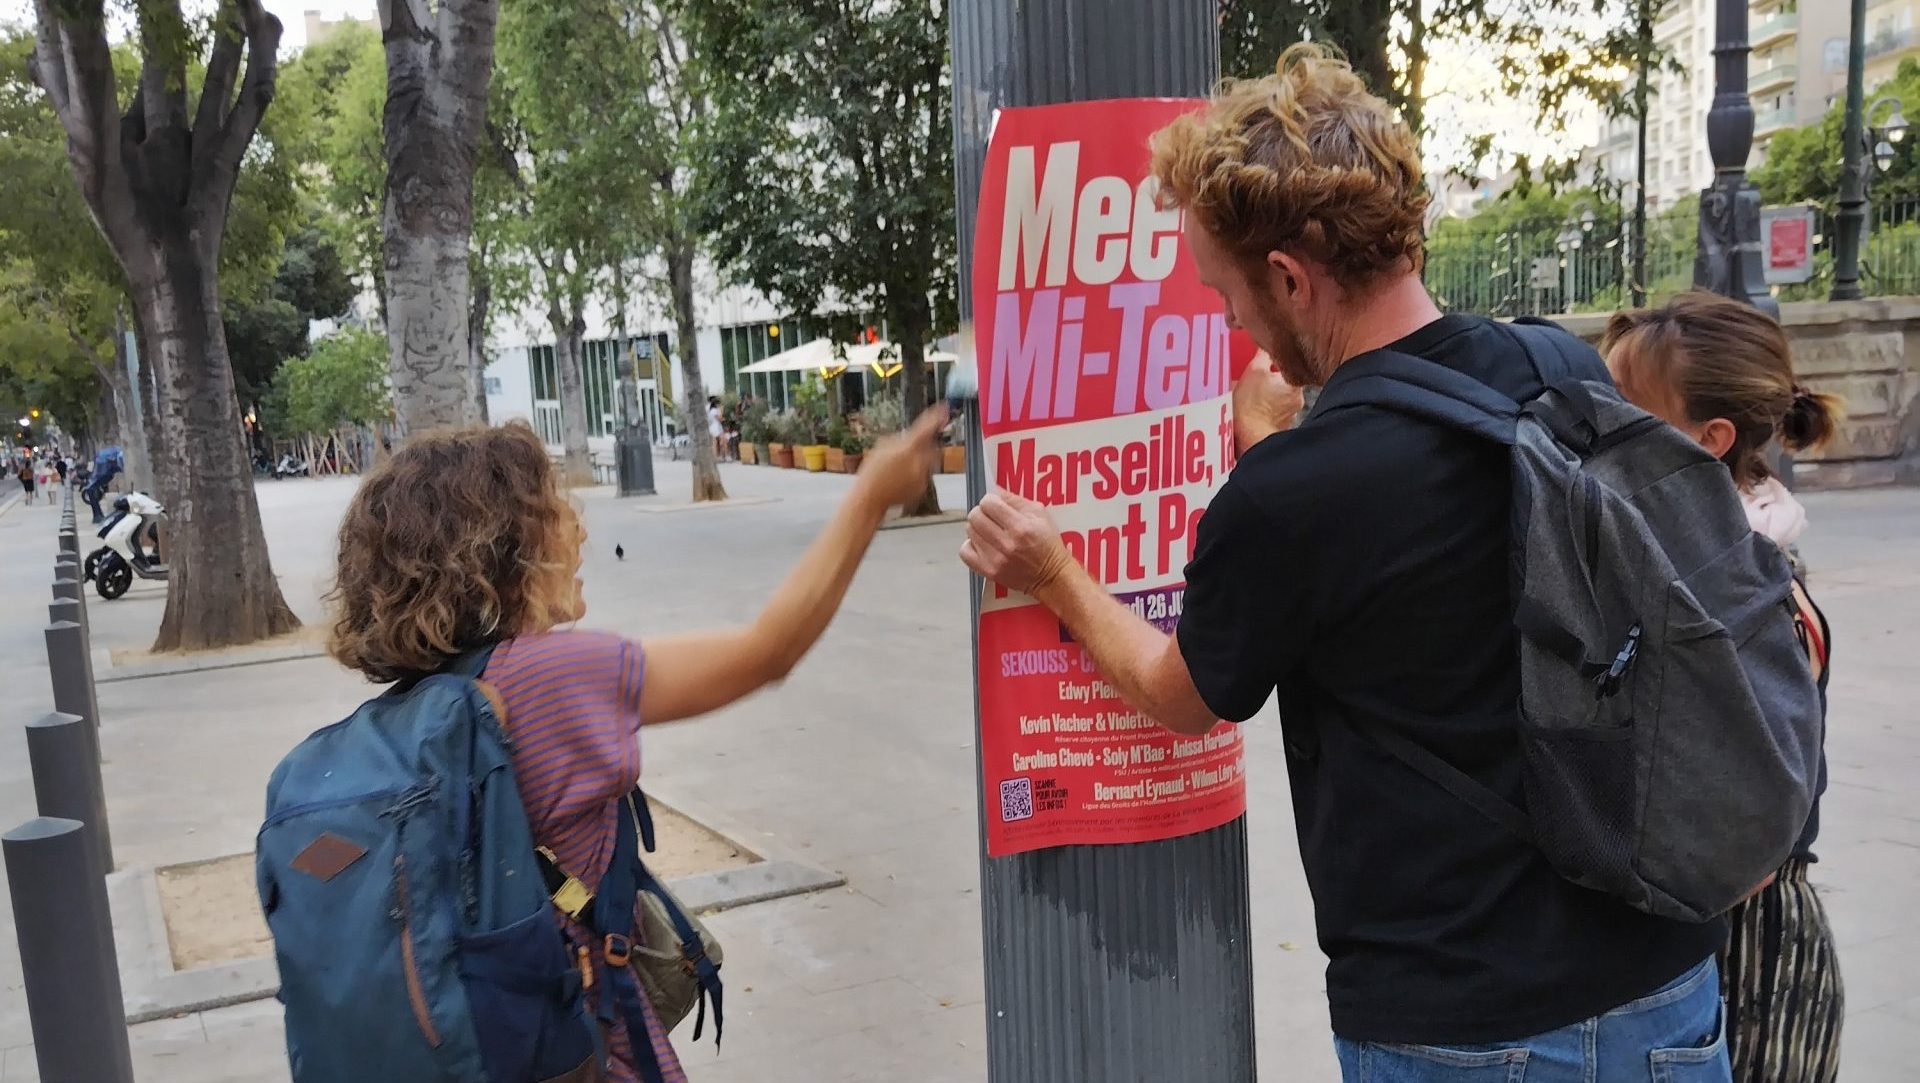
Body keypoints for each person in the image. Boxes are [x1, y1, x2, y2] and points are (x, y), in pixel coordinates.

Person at [961, 45, 1730, 1081]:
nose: (1229, 321)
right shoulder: (1557, 364)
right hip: (1666, 983)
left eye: (1226, 295)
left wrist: (1053, 570)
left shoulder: (1288, 497)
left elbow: (1181, 694)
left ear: (1288, 277)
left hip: (1464, 1025)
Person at [324, 412, 941, 1083]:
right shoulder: (544, 678)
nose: (581, 530)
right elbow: (769, 651)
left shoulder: (410, 712)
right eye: (554, 512)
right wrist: (870, 495)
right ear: (504, 552)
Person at [1603, 292, 1844, 1083]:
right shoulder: (1709, 571)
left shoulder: (1751, 600)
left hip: (1753, 958)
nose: (1599, 427)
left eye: (1626, 407)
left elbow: (1750, 836)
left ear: (1710, 441)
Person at [707, 395, 727, 462]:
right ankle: (720, 456)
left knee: (715, 442)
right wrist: (722, 412)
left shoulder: (710, 410)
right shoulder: (715, 410)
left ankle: (717, 457)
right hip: (716, 427)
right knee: (720, 441)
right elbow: (719, 419)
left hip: (712, 426)